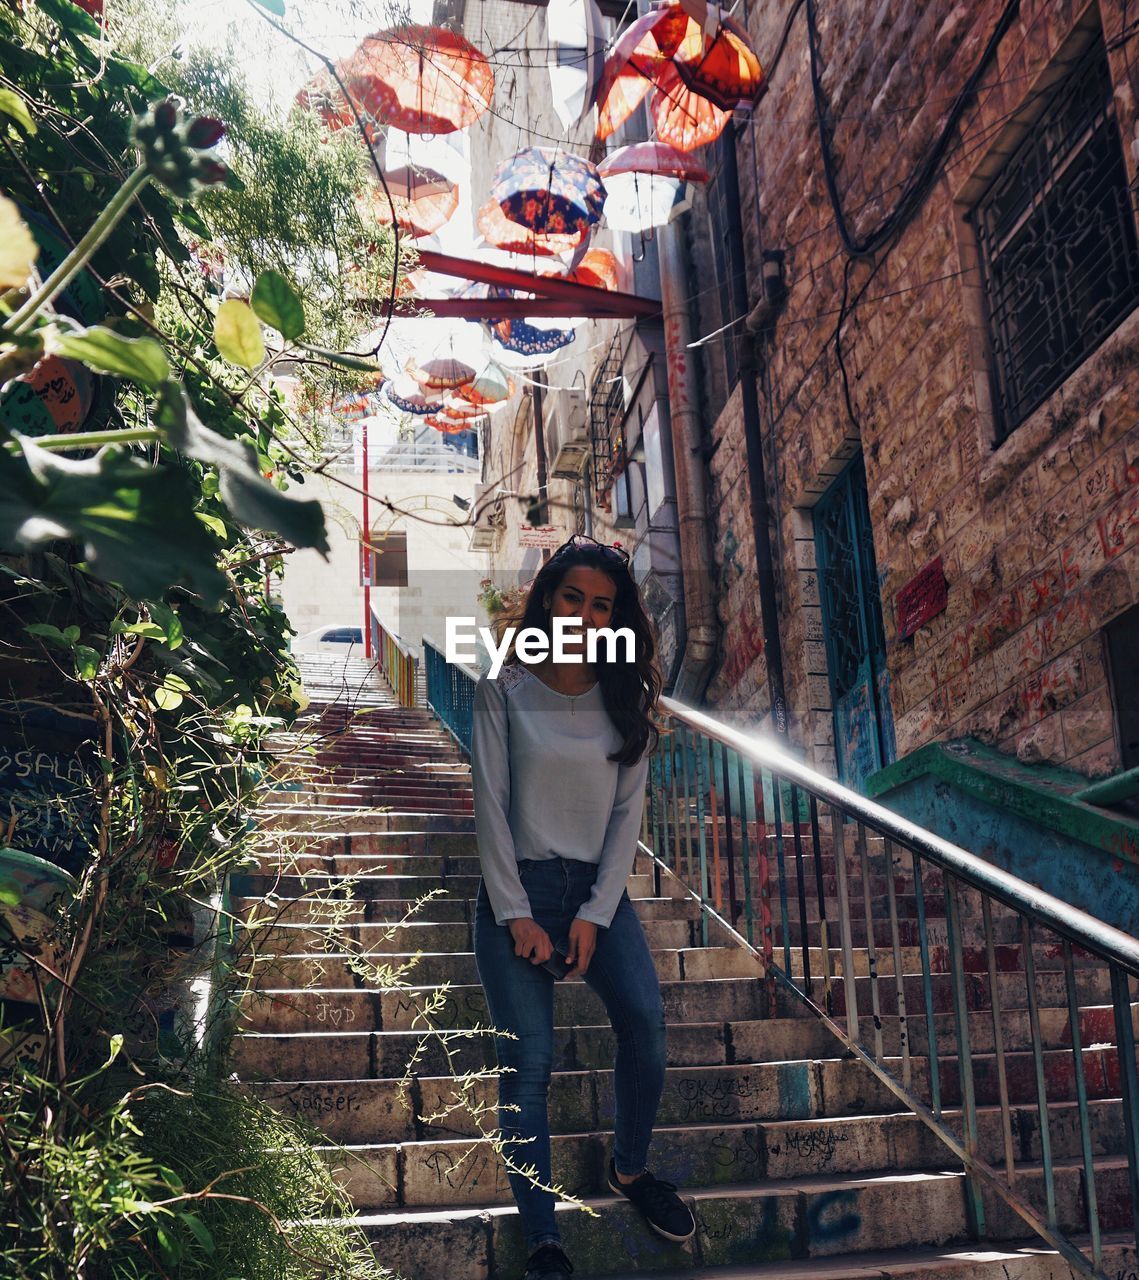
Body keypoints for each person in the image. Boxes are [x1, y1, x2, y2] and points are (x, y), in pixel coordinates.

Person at [470, 534, 696, 1280]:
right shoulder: (503, 690)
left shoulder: (625, 700)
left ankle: (629, 1170)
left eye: (602, 605)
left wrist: (596, 916)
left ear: (615, 617)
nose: (585, 614)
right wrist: (517, 917)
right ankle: (544, 1241)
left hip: (597, 893)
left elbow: (625, 818)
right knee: (526, 1065)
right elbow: (491, 812)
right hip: (520, 892)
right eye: (572, 597)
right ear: (547, 599)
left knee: (644, 1023)